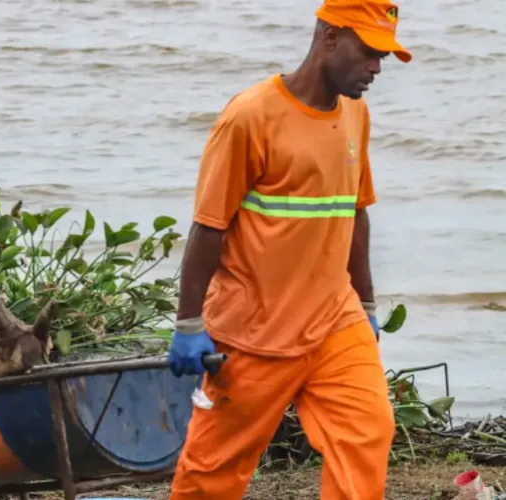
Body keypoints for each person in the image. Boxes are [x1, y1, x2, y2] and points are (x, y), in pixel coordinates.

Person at [165, 0, 411, 498]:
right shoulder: (250, 117)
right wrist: (189, 324)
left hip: (332, 321)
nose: (376, 67)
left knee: (366, 432)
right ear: (329, 37)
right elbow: (209, 228)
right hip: (255, 331)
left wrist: (364, 302)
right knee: (212, 474)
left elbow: (354, 213)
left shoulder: (355, 114)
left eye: (383, 55)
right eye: (369, 51)